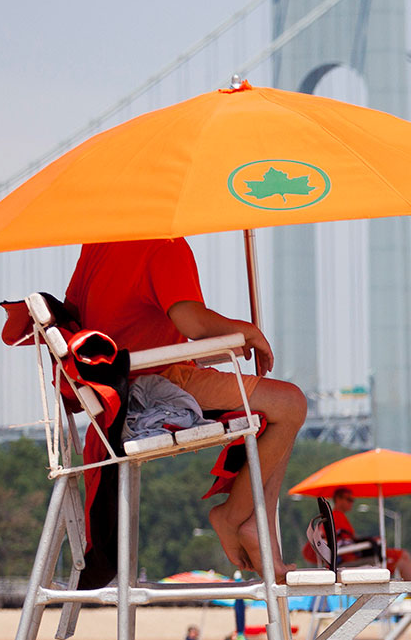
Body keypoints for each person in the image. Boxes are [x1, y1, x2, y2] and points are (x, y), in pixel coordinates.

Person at [66, 237, 307, 578]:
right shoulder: (164, 243)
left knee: (272, 408)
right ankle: (233, 517)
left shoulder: (99, 242)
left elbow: (76, 314)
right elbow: (191, 322)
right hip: (155, 384)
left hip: (114, 388)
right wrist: (246, 331)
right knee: (289, 403)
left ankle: (257, 526)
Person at [300, 488, 411, 602]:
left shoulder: (331, 517)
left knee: (399, 555)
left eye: (352, 500)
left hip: (342, 559)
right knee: (402, 556)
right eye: (349, 499)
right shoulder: (337, 516)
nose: (351, 503)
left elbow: (344, 541)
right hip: (349, 561)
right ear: (338, 499)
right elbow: (345, 545)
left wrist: (368, 541)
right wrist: (371, 543)